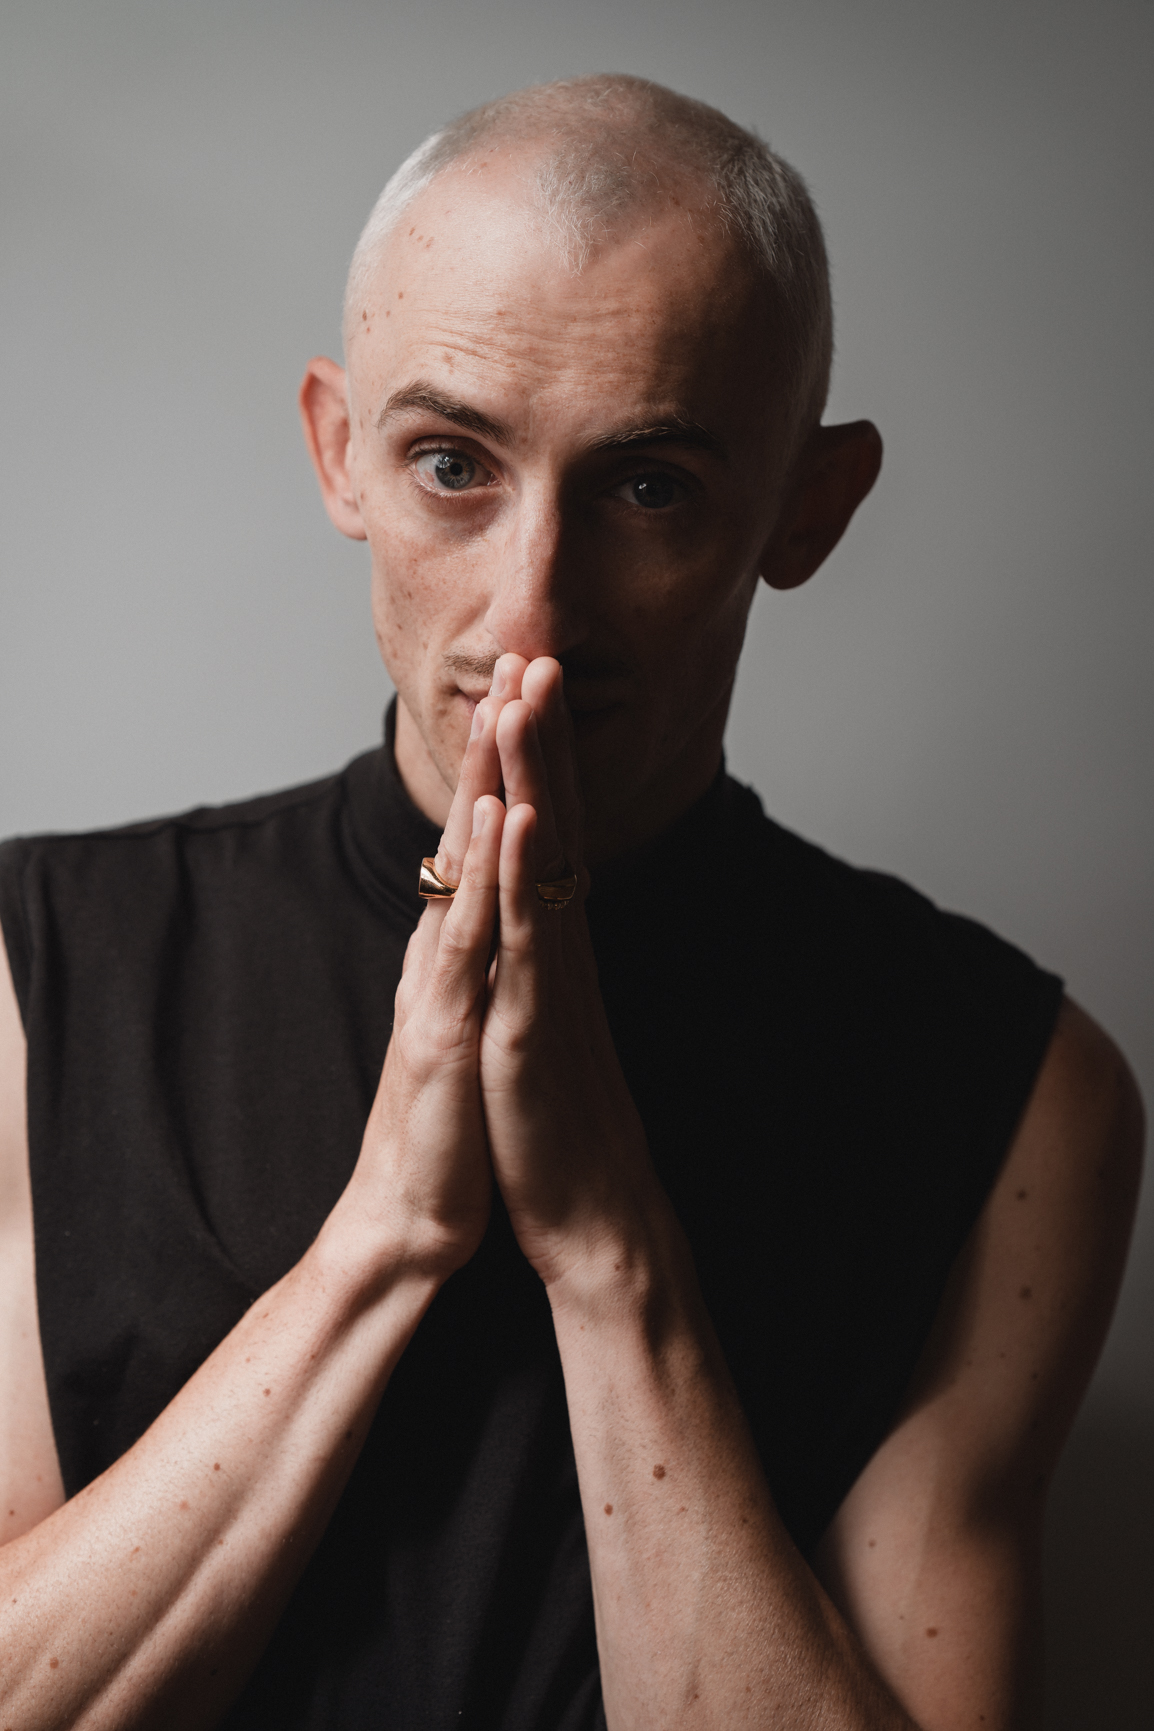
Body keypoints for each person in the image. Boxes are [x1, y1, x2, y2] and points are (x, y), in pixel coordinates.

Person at [0, 73, 1143, 1731]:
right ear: (339, 452)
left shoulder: (1016, 1092)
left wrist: (611, 1255)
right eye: (450, 463)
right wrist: (381, 1244)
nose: (529, 612)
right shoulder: (39, 980)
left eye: (648, 487)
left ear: (807, 507)